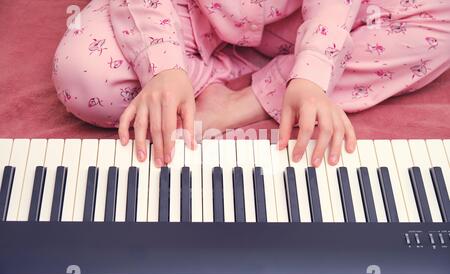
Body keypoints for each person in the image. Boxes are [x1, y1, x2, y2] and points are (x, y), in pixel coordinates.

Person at [53, 0, 450, 167]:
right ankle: (199, 75)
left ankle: (250, 100)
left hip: (315, 22)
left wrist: (312, 73)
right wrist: (162, 67)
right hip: (186, 14)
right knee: (84, 74)